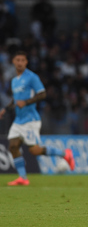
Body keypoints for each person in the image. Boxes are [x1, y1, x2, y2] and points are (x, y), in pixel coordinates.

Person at [0, 51, 75, 186]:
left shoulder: (32, 77)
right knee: (13, 146)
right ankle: (23, 178)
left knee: (34, 150)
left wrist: (27, 102)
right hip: (18, 120)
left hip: (30, 120)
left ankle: (65, 154)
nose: (20, 63)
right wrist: (5, 109)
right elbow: (15, 99)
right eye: (17, 60)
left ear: (26, 62)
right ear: (13, 62)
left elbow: (42, 94)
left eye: (23, 60)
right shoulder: (14, 80)